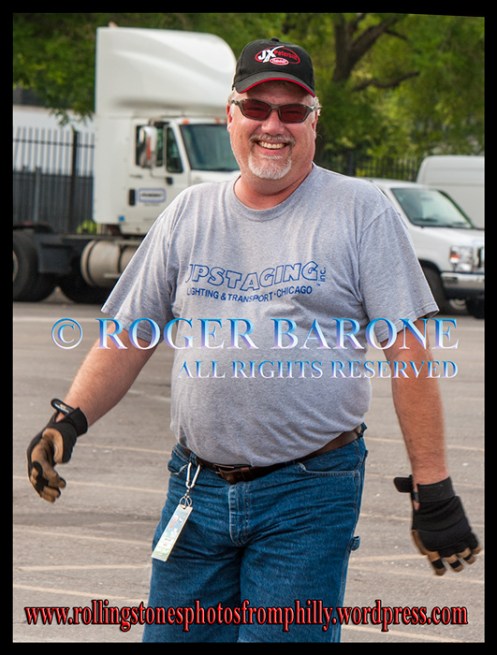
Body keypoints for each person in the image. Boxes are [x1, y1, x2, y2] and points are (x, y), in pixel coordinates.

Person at [26, 37, 481, 643]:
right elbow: (129, 334)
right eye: (257, 107)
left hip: (308, 494)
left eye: (292, 111)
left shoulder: (360, 212)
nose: (274, 126)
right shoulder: (190, 213)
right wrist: (69, 419)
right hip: (194, 488)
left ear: (314, 121)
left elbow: (408, 356)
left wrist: (435, 487)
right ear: (230, 115)